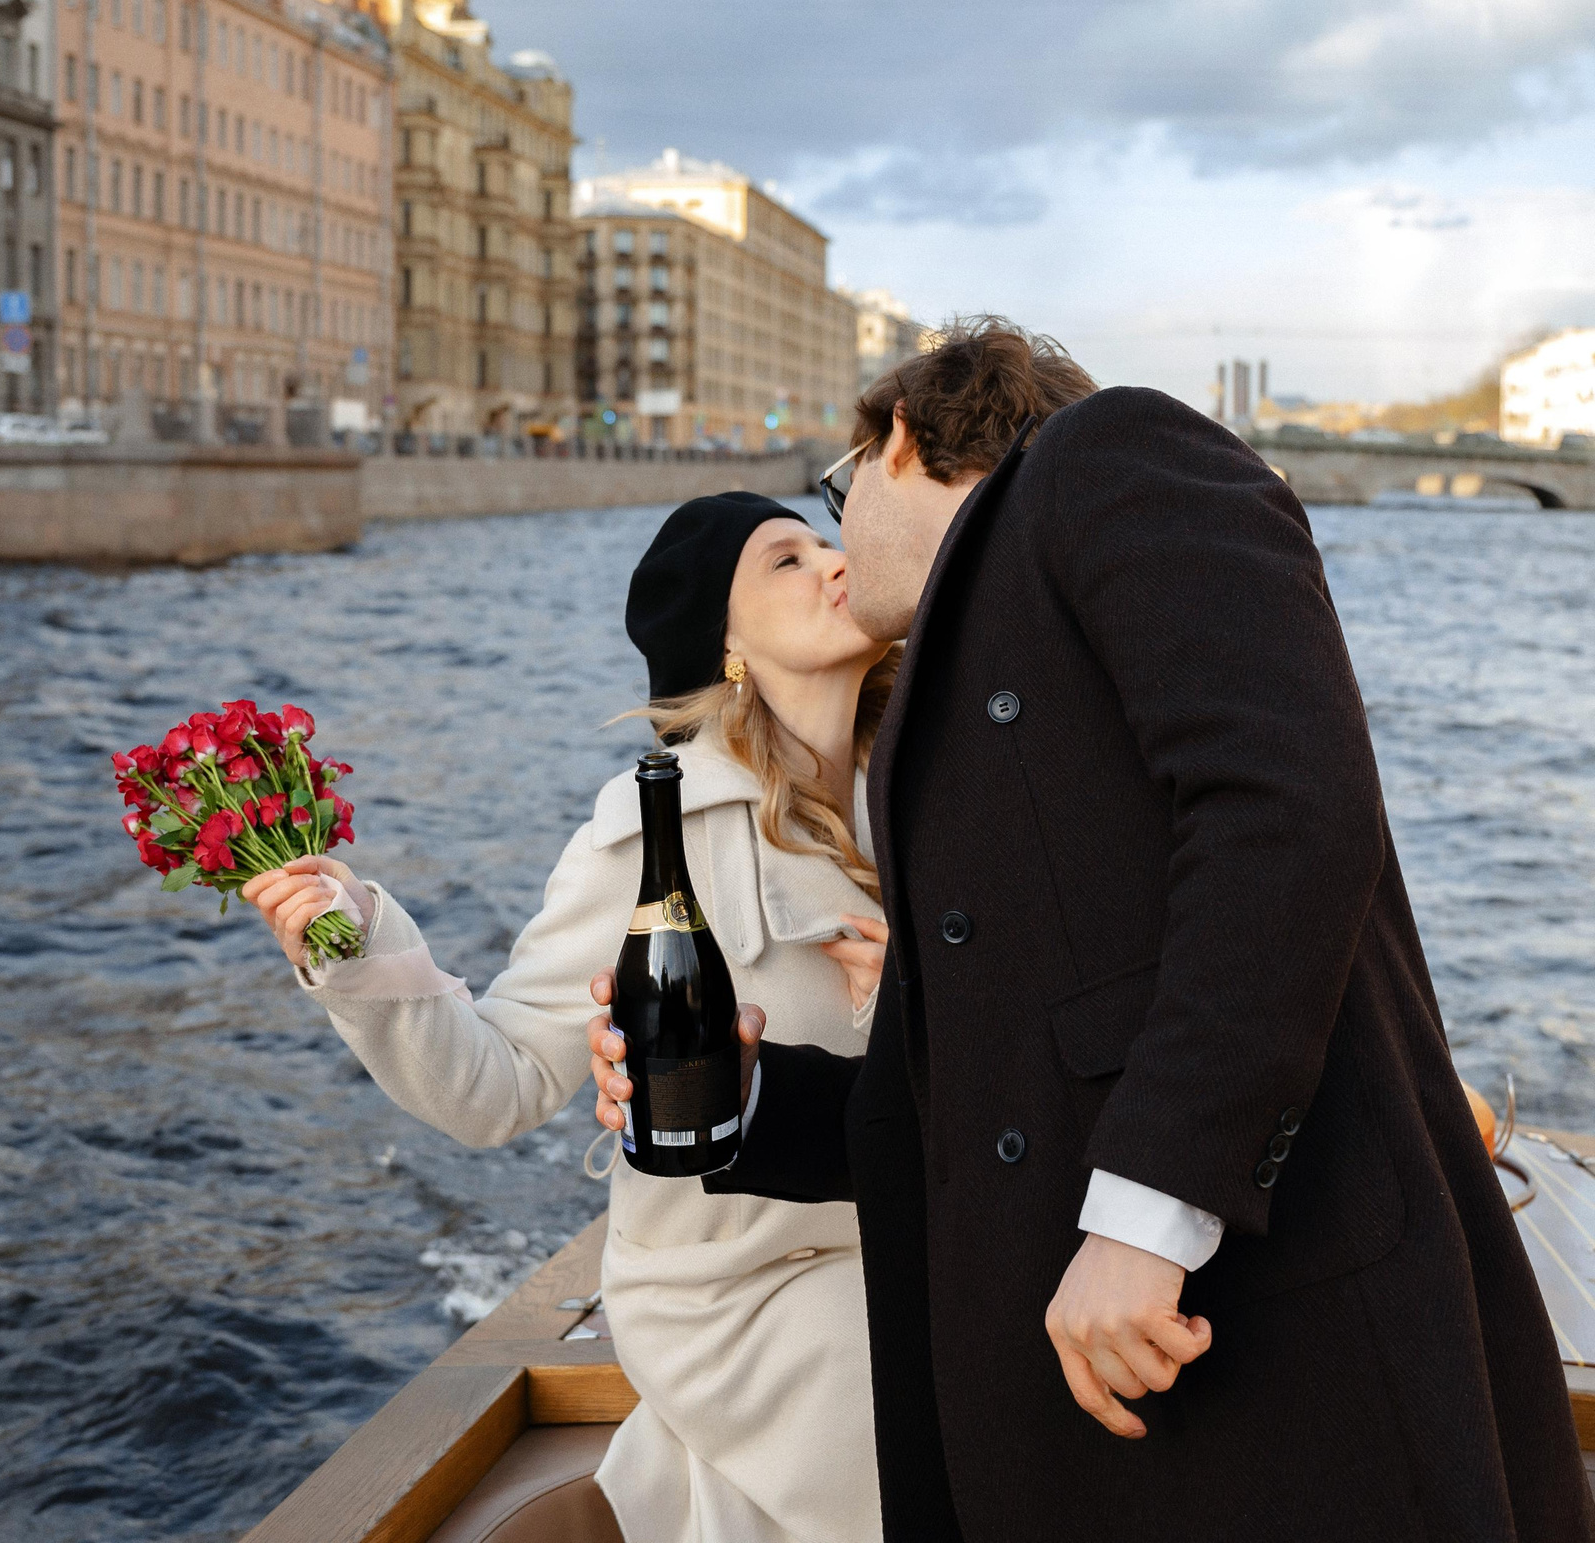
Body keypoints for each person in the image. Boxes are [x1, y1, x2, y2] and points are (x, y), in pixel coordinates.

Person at [589, 319, 1594, 1543]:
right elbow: (989, 1098)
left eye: (839, 494)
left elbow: (1285, 808)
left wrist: (1146, 1212)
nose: (843, 543)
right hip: (1101, 1412)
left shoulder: (1107, 453)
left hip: (1278, 1356)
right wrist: (750, 1100)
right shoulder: (942, 710)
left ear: (901, 441)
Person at [244, 492, 897, 1543]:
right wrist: (356, 945)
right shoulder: (653, 828)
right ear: (725, 646)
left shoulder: (922, 793)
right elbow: (495, 1087)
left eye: (826, 542)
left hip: (906, 1237)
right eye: (785, 560)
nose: (832, 563)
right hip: (737, 1289)